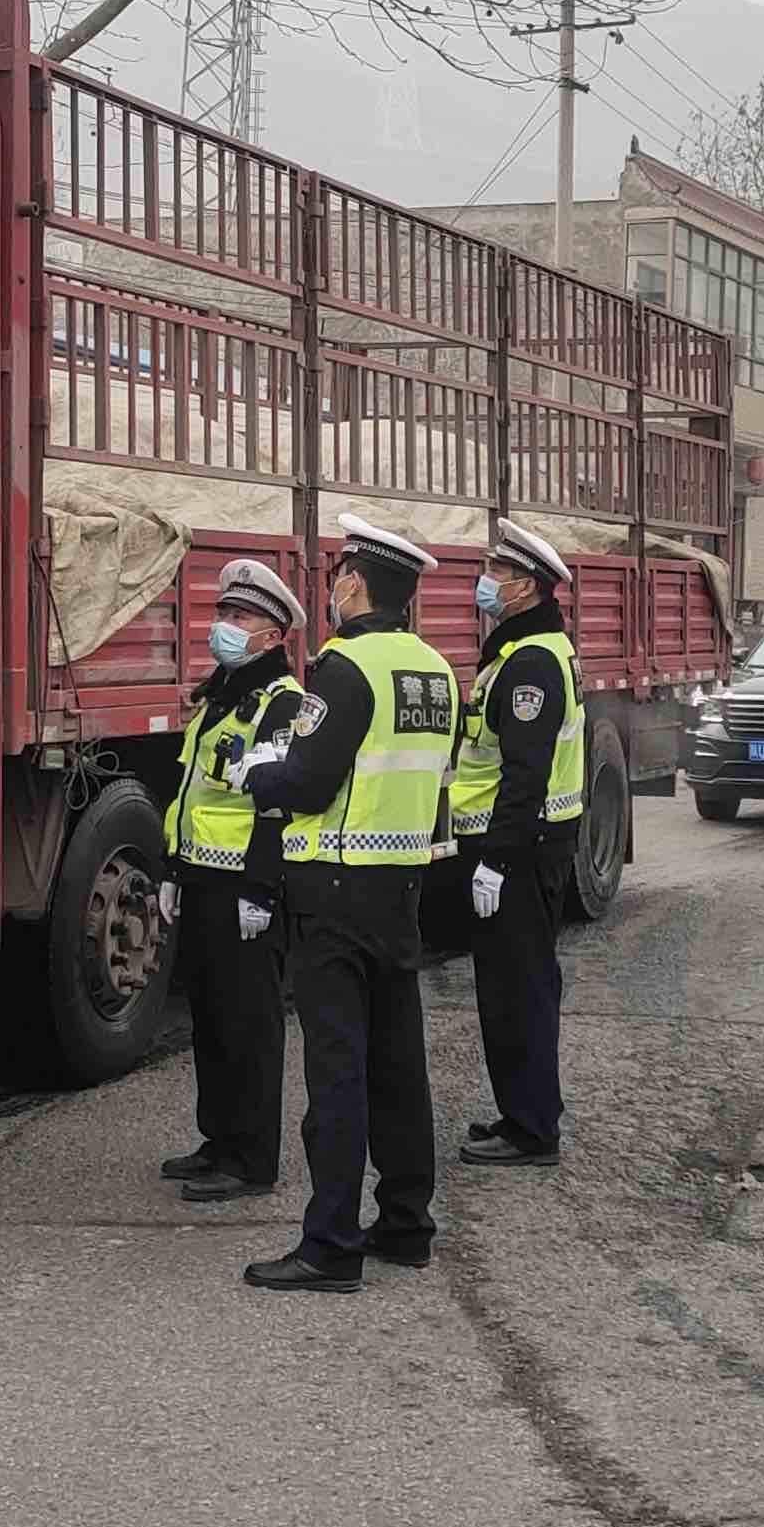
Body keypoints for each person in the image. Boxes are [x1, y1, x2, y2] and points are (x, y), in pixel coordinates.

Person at [236, 516, 459, 1294]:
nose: (332, 590)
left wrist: (257, 774)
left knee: (336, 1074)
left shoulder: (344, 666)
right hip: (399, 886)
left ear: (355, 585)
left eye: (338, 578)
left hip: (333, 888)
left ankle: (330, 1245)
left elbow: (307, 781)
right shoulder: (434, 669)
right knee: (398, 1067)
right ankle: (405, 1224)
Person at [159, 558, 308, 1204]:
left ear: (273, 635)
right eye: (222, 612)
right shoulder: (221, 697)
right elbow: (192, 791)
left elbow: (277, 805)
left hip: (244, 887)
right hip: (202, 879)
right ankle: (218, 1140)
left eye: (240, 616)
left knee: (249, 1024)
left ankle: (251, 1160)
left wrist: (261, 888)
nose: (224, 624)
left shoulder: (283, 704)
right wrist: (173, 870)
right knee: (211, 1019)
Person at [451, 518, 582, 1169]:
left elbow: (525, 773)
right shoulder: (529, 650)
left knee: (519, 991)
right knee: (515, 987)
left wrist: (497, 861)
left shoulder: (531, 662)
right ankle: (522, 1114)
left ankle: (532, 1130)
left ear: (526, 586)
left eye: (497, 573)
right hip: (528, 842)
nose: (486, 582)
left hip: (520, 849)